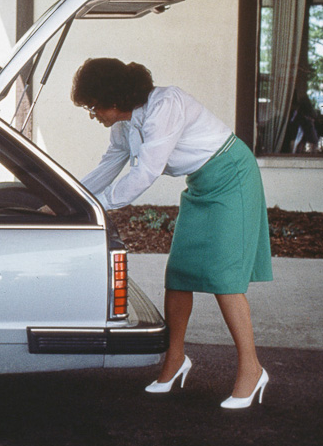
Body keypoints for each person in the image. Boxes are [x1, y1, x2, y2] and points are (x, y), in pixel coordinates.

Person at [71, 58, 273, 409]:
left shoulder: (165, 106)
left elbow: (146, 171)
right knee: (179, 275)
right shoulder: (123, 125)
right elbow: (108, 166)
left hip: (232, 177)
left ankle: (252, 370)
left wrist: (99, 206)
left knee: (224, 279)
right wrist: (71, 199)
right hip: (200, 184)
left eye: (93, 106)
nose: (92, 115)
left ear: (114, 100)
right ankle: (175, 360)